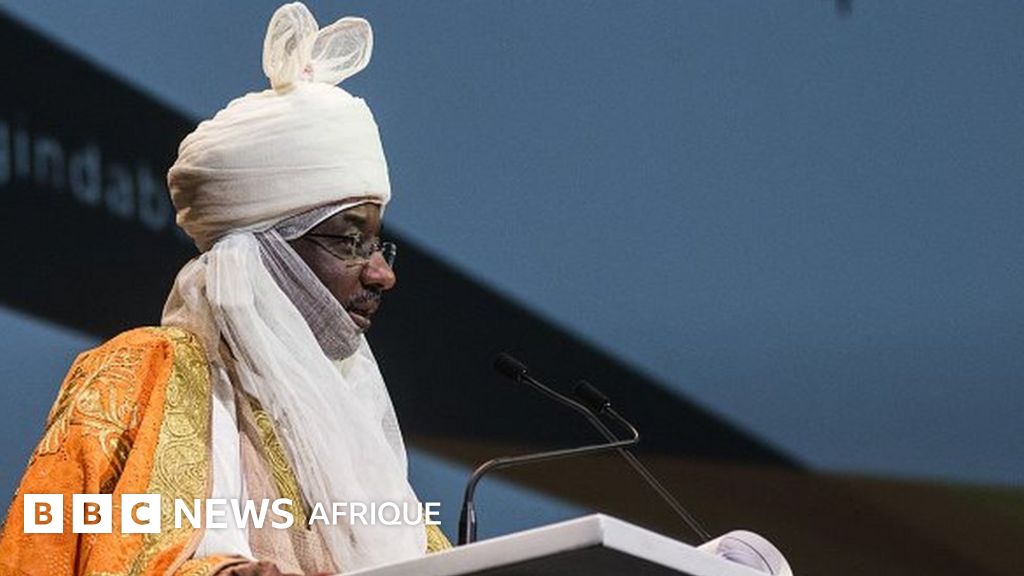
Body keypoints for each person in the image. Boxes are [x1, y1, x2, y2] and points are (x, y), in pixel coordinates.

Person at [0, 3, 450, 575]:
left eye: (377, 245)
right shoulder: (139, 374)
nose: (382, 274)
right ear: (264, 252)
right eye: (348, 240)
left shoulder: (349, 424)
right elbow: (39, 553)